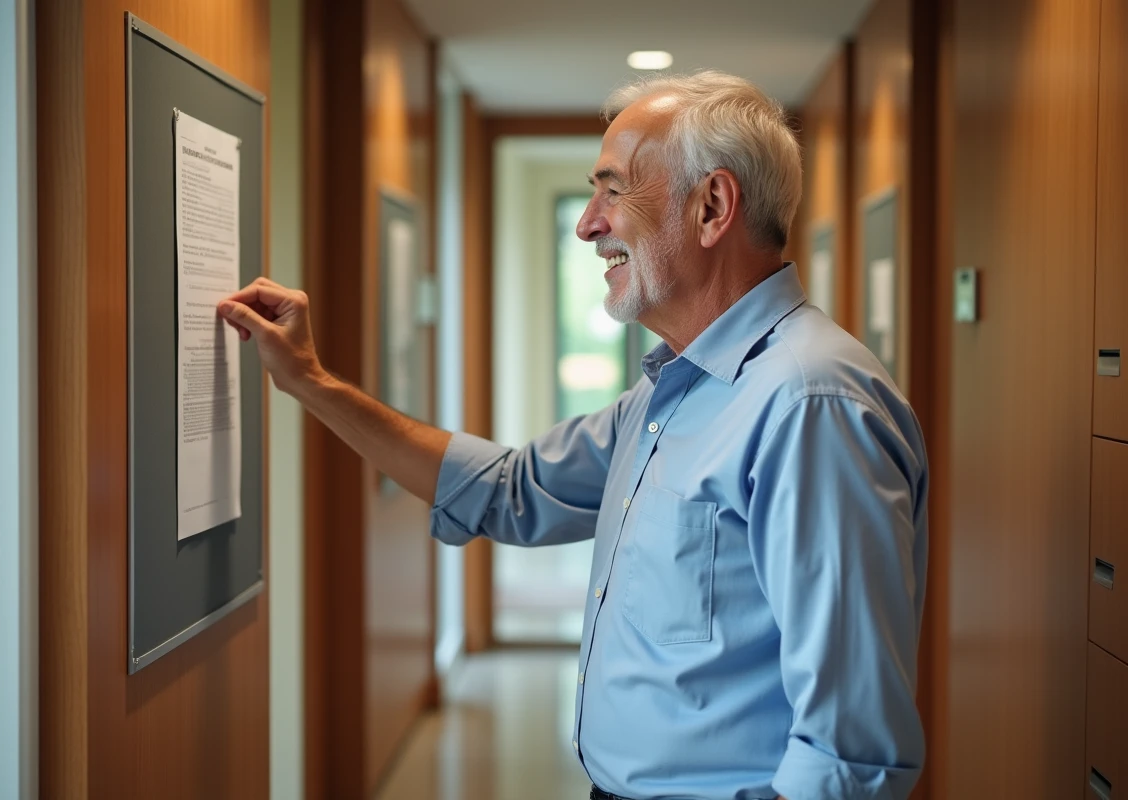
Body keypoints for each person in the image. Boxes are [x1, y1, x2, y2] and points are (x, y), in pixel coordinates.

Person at [219, 71, 928, 800]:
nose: (588, 224)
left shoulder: (810, 404)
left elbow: (850, 750)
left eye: (613, 191)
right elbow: (506, 489)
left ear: (713, 207)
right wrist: (310, 381)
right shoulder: (668, 391)